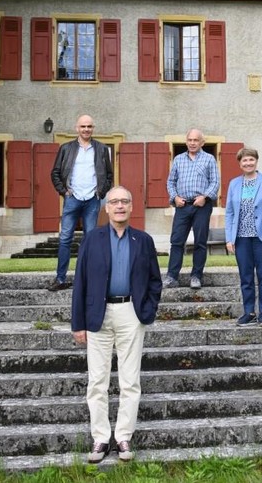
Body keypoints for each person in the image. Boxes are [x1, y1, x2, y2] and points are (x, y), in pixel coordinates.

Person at [71, 186, 162, 463]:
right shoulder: (92, 239)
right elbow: (81, 282)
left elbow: (155, 281)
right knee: (97, 381)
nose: (120, 206)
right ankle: (100, 438)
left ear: (131, 207)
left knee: (130, 381)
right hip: (97, 314)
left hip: (130, 315)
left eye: (124, 201)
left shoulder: (143, 240)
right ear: (106, 208)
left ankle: (123, 437)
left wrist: (146, 309)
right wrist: (78, 323)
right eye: (114, 202)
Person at [48, 114, 113, 291]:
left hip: (92, 199)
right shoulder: (66, 148)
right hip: (72, 199)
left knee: (90, 240)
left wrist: (101, 193)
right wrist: (64, 191)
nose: (86, 129)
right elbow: (55, 173)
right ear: (77, 128)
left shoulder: (101, 149)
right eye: (83, 126)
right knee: (65, 239)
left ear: (93, 128)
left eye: (89, 126)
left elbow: (109, 175)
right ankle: (60, 278)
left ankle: (88, 279)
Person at [224, 147, 262, 326]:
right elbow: (229, 213)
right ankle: (249, 312)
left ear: (256, 161)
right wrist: (229, 238)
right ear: (240, 164)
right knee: (245, 276)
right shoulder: (234, 184)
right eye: (244, 160)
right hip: (241, 237)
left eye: (251, 159)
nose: (248, 163)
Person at [163, 128, 219, 289]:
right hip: (182, 206)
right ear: (186, 141)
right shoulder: (179, 159)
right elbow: (170, 182)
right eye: (190, 140)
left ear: (202, 142)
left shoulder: (209, 159)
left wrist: (205, 197)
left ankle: (196, 276)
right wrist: (175, 197)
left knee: (200, 242)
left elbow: (215, 182)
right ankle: (172, 276)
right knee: (176, 241)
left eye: (196, 140)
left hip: (201, 205)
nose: (192, 143)